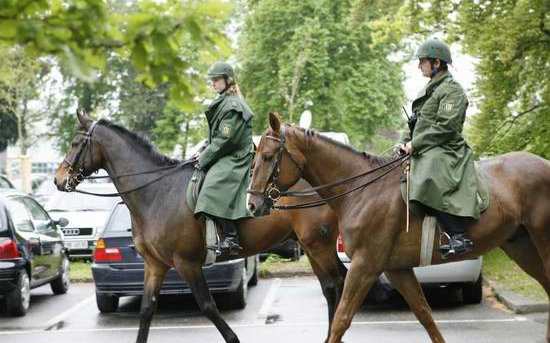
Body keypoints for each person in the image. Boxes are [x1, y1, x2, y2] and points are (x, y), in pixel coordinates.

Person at [396, 38, 480, 258]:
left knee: (427, 174)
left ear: (436, 63)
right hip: (426, 145)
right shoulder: (430, 89)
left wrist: (415, 144)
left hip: (446, 147)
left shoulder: (452, 91)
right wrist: (404, 142)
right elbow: (416, 123)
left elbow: (446, 127)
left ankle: (459, 235)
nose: (419, 66)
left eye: (422, 61)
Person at [193, 61, 255, 254]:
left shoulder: (233, 105)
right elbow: (216, 136)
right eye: (212, 80)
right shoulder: (224, 101)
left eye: (217, 79)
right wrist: (202, 148)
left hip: (236, 156)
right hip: (226, 151)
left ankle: (231, 237)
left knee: (212, 187)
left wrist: (204, 159)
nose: (213, 83)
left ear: (228, 80)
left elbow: (224, 140)